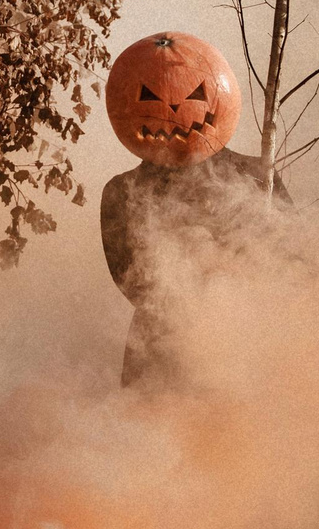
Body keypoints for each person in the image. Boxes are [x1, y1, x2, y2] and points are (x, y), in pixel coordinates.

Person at [97, 31, 284, 389]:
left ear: (216, 93)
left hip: (248, 354)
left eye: (195, 95)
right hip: (160, 357)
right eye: (149, 96)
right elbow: (133, 283)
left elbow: (291, 267)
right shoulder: (122, 193)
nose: (171, 110)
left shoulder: (259, 177)